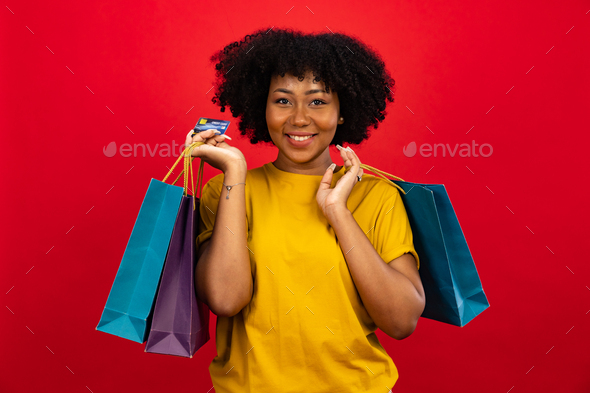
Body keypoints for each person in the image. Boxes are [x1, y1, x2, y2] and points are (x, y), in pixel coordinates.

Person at [186, 27, 425, 393]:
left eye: (317, 101)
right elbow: (226, 299)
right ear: (261, 107)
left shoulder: (378, 197)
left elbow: (402, 321)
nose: (299, 118)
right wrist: (235, 173)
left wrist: (338, 213)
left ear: (343, 111)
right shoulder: (225, 191)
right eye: (283, 101)